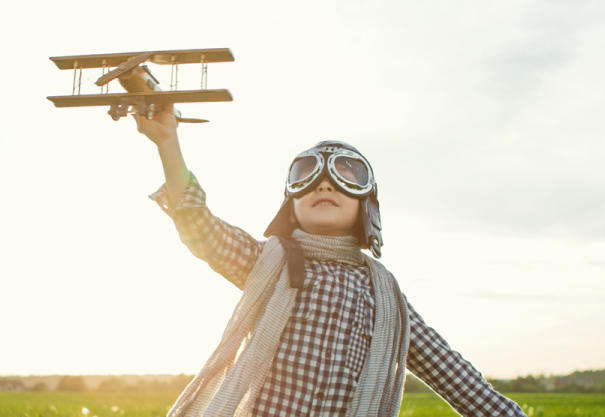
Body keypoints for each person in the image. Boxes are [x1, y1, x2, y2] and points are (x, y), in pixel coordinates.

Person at [136, 104, 526, 417]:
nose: (324, 182)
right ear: (290, 204)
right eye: (307, 174)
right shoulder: (268, 263)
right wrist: (168, 143)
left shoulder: (384, 296)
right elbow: (200, 229)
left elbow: (454, 375)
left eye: (347, 173)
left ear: (366, 205)